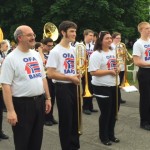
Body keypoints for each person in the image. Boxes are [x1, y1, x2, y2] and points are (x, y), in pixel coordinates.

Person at [0, 25, 51, 150]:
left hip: (39, 102)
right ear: (19, 38)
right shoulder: (10, 59)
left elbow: (42, 77)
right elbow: (6, 86)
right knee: (23, 142)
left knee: (36, 140)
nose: (33, 37)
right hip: (22, 105)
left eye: (33, 34)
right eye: (29, 35)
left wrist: (48, 98)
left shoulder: (36, 55)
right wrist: (11, 111)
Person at [46, 20, 80, 150]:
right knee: (66, 120)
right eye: (71, 31)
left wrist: (78, 75)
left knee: (75, 118)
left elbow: (76, 68)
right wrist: (69, 77)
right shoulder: (56, 51)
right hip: (63, 87)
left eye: (75, 31)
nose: (74, 34)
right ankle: (66, 147)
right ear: (63, 32)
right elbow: (50, 73)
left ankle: (75, 146)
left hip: (74, 85)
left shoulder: (74, 49)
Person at [88, 31, 120, 146]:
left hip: (114, 85)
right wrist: (109, 71)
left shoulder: (113, 51)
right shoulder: (96, 54)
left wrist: (118, 68)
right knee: (106, 112)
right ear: (101, 40)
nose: (110, 40)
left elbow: (116, 65)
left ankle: (111, 134)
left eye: (110, 38)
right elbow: (93, 72)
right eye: (107, 38)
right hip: (102, 87)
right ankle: (103, 136)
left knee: (114, 112)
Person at [133, 22, 150, 131]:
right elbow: (137, 61)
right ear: (141, 30)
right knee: (145, 98)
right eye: (147, 28)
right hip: (144, 72)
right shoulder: (138, 43)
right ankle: (144, 121)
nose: (149, 30)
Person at [41, 38, 58, 126]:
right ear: (43, 45)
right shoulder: (38, 54)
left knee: (53, 97)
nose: (50, 47)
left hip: (52, 77)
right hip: (44, 78)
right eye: (48, 46)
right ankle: (45, 117)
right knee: (46, 98)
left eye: (52, 46)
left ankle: (50, 116)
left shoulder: (52, 53)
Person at [82, 29, 98, 115]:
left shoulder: (93, 46)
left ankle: (90, 106)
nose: (92, 37)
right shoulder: (80, 45)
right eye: (90, 35)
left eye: (92, 36)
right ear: (85, 36)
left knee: (91, 89)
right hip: (85, 70)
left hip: (91, 69)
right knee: (86, 88)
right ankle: (85, 107)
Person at [111, 32, 126, 104]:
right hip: (116, 67)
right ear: (113, 38)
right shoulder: (111, 46)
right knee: (116, 83)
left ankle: (119, 97)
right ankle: (116, 98)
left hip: (122, 66)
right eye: (117, 38)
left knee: (119, 84)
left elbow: (124, 55)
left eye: (120, 38)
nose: (119, 39)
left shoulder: (121, 46)